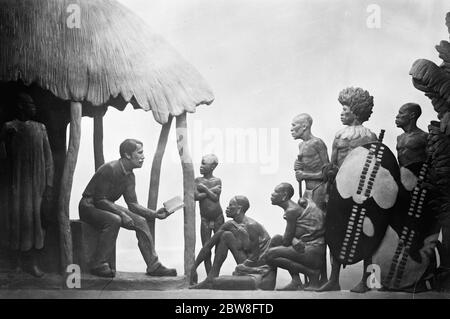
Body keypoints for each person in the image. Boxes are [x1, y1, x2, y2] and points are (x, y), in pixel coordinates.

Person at [79, 139, 176, 278]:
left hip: (106, 205)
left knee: (141, 221)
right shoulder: (110, 169)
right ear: (128, 155)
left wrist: (154, 214)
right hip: (89, 206)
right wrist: (122, 214)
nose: (143, 156)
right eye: (140, 152)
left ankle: (154, 266)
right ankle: (98, 264)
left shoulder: (130, 175)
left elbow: (133, 205)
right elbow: (99, 200)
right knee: (115, 220)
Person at [318, 87, 378, 293]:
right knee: (335, 234)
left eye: (345, 108)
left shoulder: (370, 136)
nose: (341, 112)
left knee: (367, 235)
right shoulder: (338, 136)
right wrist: (328, 179)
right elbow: (332, 164)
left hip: (363, 192)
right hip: (339, 192)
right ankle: (334, 279)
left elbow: (377, 166)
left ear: (356, 110)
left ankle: (367, 280)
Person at [0, 92, 54, 277]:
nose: (34, 107)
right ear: (21, 106)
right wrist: (4, 139)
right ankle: (14, 264)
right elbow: (3, 158)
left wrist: (48, 185)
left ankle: (32, 263)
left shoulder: (41, 128)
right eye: (30, 104)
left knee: (36, 223)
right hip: (16, 185)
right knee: (16, 222)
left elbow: (48, 160)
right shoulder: (9, 127)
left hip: (37, 186)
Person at [189, 195, 271, 289]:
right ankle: (210, 278)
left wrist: (242, 268)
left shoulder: (251, 225)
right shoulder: (230, 225)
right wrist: (194, 267)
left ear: (239, 209)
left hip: (257, 266)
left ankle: (212, 279)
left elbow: (255, 257)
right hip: (247, 262)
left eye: (231, 205)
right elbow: (208, 245)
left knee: (226, 236)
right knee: (226, 235)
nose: (227, 207)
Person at [266, 183, 325, 290]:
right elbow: (290, 238)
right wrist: (294, 240)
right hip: (307, 249)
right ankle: (296, 281)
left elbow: (286, 241)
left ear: (284, 195)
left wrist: (292, 240)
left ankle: (312, 274)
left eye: (276, 192)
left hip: (311, 252)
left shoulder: (291, 211)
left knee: (270, 255)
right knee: (276, 239)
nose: (272, 194)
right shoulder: (292, 209)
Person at [291, 113, 329, 211]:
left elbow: (328, 173)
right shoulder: (301, 145)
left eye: (294, 125)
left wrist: (304, 175)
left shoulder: (317, 143)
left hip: (319, 189)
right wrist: (298, 166)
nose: (291, 129)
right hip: (307, 190)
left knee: (315, 220)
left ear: (304, 126)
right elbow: (306, 166)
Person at [194, 154, 224, 274]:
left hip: (218, 217)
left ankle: (215, 273)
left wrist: (204, 189)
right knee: (206, 247)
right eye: (201, 163)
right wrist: (211, 190)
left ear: (213, 166)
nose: (201, 166)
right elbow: (196, 197)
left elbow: (215, 198)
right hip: (205, 218)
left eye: (204, 164)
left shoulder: (217, 180)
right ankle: (209, 274)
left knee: (220, 247)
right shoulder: (197, 180)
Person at [395, 103, 428, 167]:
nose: (397, 116)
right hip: (401, 174)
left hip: (418, 175)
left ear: (412, 115)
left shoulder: (424, 137)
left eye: (401, 113)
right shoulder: (399, 138)